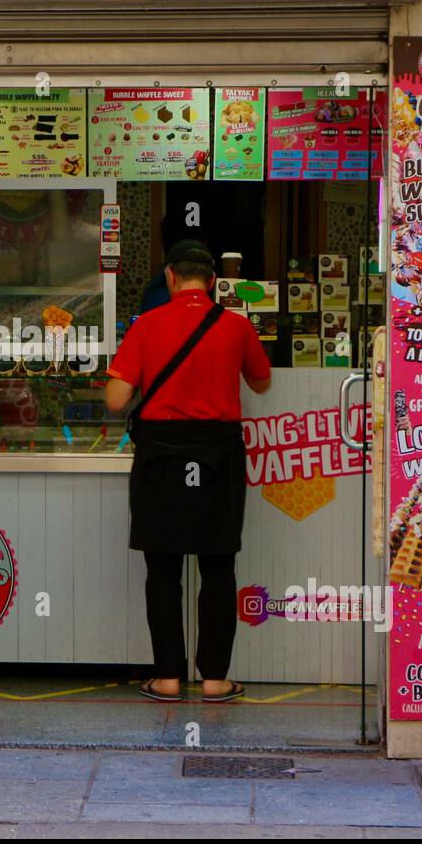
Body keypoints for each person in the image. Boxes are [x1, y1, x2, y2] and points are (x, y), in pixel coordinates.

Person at [106, 239, 271, 703]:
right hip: (219, 457)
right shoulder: (236, 326)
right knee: (218, 567)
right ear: (214, 282)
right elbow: (262, 380)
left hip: (162, 455)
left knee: (163, 569)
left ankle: (168, 678)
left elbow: (117, 400)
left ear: (171, 278)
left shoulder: (147, 326)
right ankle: (216, 679)